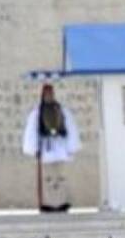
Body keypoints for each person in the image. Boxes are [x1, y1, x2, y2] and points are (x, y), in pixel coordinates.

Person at [21, 82, 80, 213]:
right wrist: (34, 148)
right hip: (46, 148)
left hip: (60, 146)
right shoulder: (37, 112)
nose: (49, 96)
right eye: (47, 94)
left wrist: (71, 147)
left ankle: (62, 202)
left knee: (60, 177)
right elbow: (32, 131)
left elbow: (70, 127)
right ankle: (48, 203)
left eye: (51, 93)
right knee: (48, 179)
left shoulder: (61, 110)